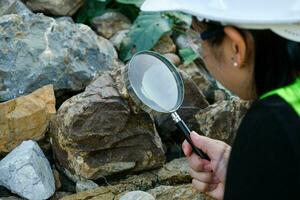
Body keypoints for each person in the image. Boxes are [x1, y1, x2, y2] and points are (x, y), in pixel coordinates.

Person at [141, 1, 300, 199]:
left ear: (236, 47)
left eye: (197, 41)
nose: (201, 54)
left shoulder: (272, 123)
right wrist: (248, 174)